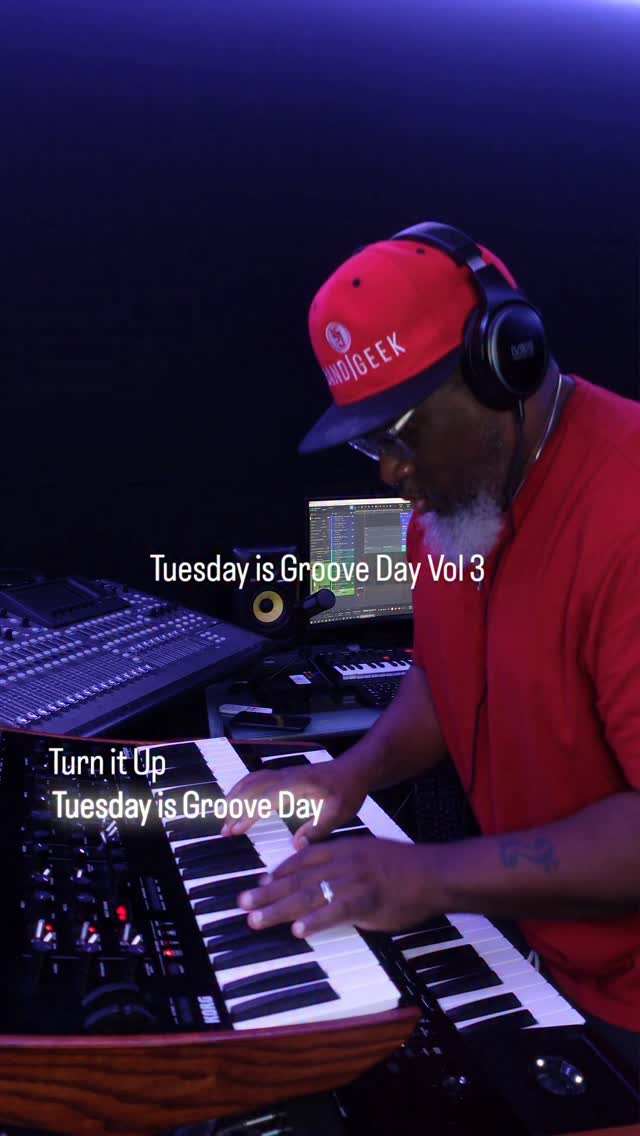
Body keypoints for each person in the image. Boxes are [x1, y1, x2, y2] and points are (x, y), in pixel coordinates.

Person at [223, 222, 640, 1073]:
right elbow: (445, 677)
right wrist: (354, 773)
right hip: (544, 955)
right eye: (370, 440)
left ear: (503, 364)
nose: (389, 471)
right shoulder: (451, 508)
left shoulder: (627, 512)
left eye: (400, 430)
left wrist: (428, 876)